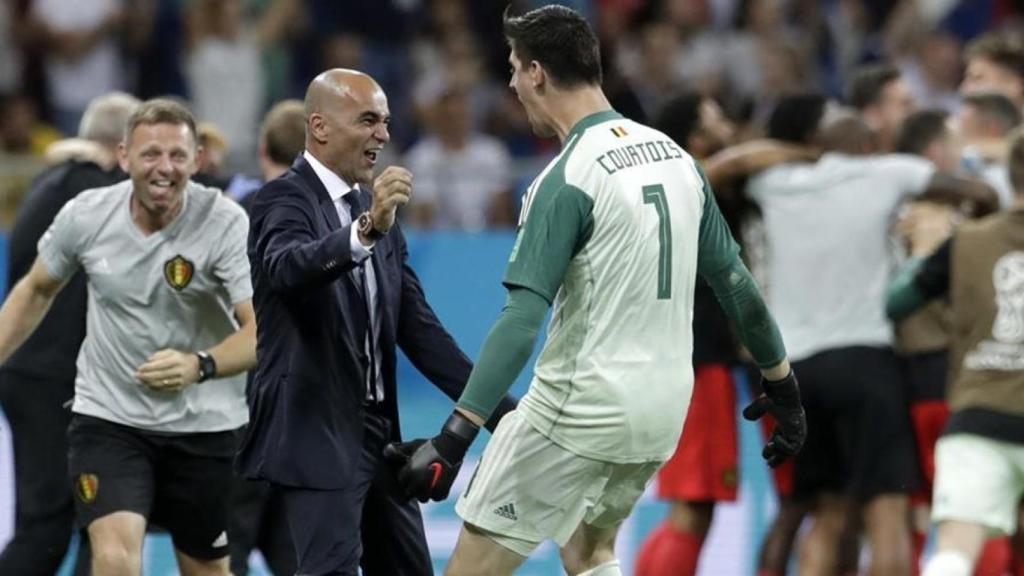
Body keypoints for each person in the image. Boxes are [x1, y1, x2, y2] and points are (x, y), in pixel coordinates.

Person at [388, 7, 806, 576]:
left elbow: (520, 323)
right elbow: (738, 287)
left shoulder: (566, 178)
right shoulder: (678, 161)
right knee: (588, 553)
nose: (511, 85)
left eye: (513, 69)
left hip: (577, 410)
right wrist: (782, 385)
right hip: (660, 411)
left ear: (537, 73)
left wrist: (454, 437)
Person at [237, 68, 515, 576]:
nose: (383, 134)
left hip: (379, 437)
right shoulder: (282, 198)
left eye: (385, 121)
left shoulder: (371, 205)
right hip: (316, 431)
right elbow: (288, 270)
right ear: (320, 127)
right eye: (368, 120)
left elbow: (421, 333)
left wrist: (504, 415)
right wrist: (365, 231)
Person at [0, 98, 256, 575]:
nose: (164, 167)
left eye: (177, 156)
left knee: (207, 568)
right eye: (151, 154)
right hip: (109, 419)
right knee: (114, 559)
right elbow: (35, 290)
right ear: (124, 157)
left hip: (204, 427)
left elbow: (261, 333)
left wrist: (199, 364)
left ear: (197, 160)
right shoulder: (88, 215)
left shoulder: (225, 223)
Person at [0, 91, 138, 575]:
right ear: (123, 146)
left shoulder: (49, 182)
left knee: (85, 525)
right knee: (56, 527)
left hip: (33, 371)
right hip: (57, 379)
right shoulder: (99, 192)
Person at [887, 127, 1024, 576]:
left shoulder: (967, 240)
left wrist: (921, 254)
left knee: (956, 549)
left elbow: (897, 302)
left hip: (978, 415)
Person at [226, 99, 305, 576]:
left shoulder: (230, 216)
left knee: (227, 548)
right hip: (303, 411)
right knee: (294, 553)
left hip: (242, 406)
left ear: (262, 149)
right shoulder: (329, 217)